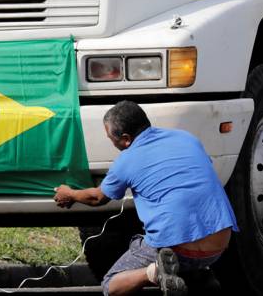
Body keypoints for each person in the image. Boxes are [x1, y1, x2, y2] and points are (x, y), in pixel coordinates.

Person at [54, 101, 237, 296]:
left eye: (110, 138)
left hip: (179, 247)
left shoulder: (126, 160)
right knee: (169, 251)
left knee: (111, 284)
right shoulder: (186, 138)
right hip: (220, 240)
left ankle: (155, 272)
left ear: (125, 139)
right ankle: (200, 277)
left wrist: (70, 194)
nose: (111, 142)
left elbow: (97, 198)